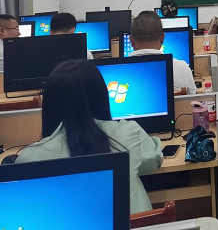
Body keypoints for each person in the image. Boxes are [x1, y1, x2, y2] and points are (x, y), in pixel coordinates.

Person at [16, 60, 163, 214]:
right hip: (135, 223)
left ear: (49, 105)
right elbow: (154, 160)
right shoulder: (129, 133)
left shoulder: (30, 158)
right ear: (101, 97)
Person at [128, 11, 196, 94]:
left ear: (131, 40)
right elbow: (192, 97)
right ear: (162, 38)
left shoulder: (117, 70)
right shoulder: (182, 68)